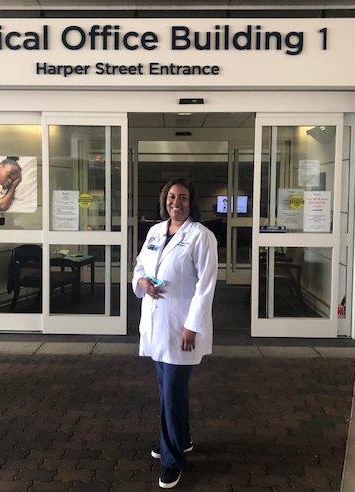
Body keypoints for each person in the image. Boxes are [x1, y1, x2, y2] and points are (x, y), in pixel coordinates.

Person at [132, 177, 218, 489]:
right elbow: (140, 266)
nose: (176, 202)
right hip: (156, 323)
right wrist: (141, 282)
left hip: (182, 327)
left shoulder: (201, 236)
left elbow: (206, 286)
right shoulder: (155, 231)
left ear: (191, 201)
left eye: (182, 197)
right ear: (164, 200)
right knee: (170, 390)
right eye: (171, 197)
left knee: (170, 393)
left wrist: (191, 325)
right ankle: (182, 438)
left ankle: (172, 460)